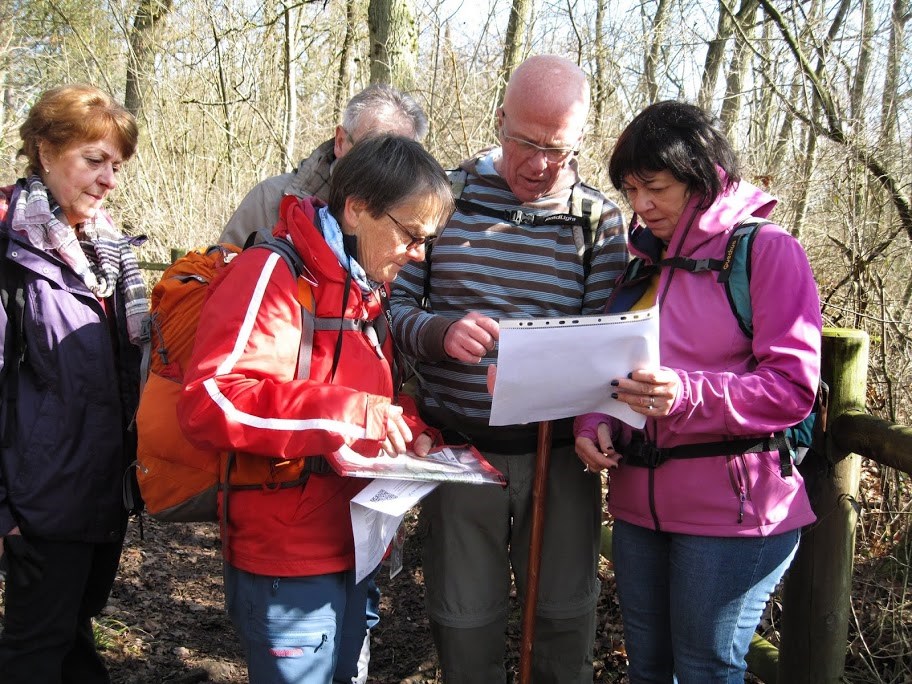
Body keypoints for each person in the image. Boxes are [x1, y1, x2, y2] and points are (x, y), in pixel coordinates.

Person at [177, 135, 454, 684]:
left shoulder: (363, 290)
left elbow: (368, 396)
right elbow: (211, 399)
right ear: (355, 210)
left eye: (429, 240)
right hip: (290, 558)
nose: (419, 253)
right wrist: (351, 415)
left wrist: (411, 429)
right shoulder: (273, 276)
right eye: (412, 235)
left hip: (354, 548)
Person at [388, 55, 628, 682]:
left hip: (560, 457)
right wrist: (441, 334)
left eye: (559, 149)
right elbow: (390, 309)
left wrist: (577, 402)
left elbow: (608, 339)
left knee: (563, 613)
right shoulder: (446, 196)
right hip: (461, 449)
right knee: (464, 617)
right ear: (499, 121)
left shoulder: (596, 221)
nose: (540, 164)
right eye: (525, 142)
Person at [574, 101, 820, 682]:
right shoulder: (640, 260)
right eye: (631, 189)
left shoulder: (765, 251)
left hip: (734, 513)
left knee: (705, 670)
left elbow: (791, 388)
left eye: (654, 188)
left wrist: (687, 393)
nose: (640, 205)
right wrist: (592, 423)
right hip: (639, 506)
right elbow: (611, 368)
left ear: (701, 176)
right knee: (650, 670)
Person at [0, 84, 145, 683]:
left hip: (102, 491)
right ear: (44, 149)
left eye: (116, 164)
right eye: (94, 160)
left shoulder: (106, 252)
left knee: (72, 633)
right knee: (36, 649)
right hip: (37, 503)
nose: (109, 178)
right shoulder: (13, 248)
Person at [220, 83, 428, 246]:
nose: (382, 169)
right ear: (340, 141)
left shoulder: (409, 228)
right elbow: (223, 283)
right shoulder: (270, 201)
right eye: (370, 151)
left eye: (399, 161)